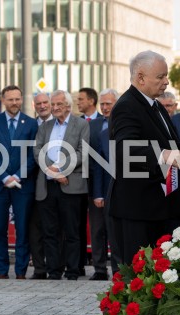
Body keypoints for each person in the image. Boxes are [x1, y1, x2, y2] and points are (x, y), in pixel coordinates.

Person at [108, 50, 180, 265]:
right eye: (160, 77)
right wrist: (163, 155)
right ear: (141, 77)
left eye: (166, 75)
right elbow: (125, 148)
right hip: (139, 208)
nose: (166, 82)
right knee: (140, 274)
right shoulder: (126, 106)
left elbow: (171, 146)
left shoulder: (155, 105)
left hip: (160, 207)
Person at [34, 90, 90, 280]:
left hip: (71, 186)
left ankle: (73, 270)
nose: (55, 108)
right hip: (48, 187)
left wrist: (62, 171)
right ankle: (54, 270)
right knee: (50, 232)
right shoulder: (45, 127)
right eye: (53, 104)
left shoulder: (81, 124)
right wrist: (54, 173)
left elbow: (83, 152)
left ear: (68, 105)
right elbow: (38, 151)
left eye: (59, 104)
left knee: (72, 232)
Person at [0, 85, 38, 279]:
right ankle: (1, 271)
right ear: (3, 100)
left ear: (21, 99)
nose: (14, 103)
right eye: (10, 99)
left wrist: (17, 175)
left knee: (22, 229)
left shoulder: (31, 124)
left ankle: (21, 271)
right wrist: (4, 176)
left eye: (17, 99)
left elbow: (33, 154)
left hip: (22, 185)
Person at [88, 88, 120, 280]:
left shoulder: (126, 125)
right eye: (103, 104)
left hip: (123, 189)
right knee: (98, 230)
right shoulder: (98, 129)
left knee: (116, 232)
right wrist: (98, 193)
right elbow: (97, 165)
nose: (105, 107)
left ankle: (118, 270)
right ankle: (99, 269)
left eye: (109, 103)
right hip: (102, 188)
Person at [77, 87, 102, 276]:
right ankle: (77, 265)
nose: (78, 102)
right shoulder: (76, 123)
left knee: (99, 227)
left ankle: (100, 268)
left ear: (91, 101)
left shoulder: (103, 123)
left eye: (81, 99)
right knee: (77, 226)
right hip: (77, 182)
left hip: (97, 182)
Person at [29, 93, 53, 280]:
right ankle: (39, 268)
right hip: (32, 185)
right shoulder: (30, 124)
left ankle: (56, 267)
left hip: (58, 182)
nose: (42, 106)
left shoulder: (61, 125)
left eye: (46, 102)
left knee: (55, 230)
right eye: (39, 103)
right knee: (35, 229)